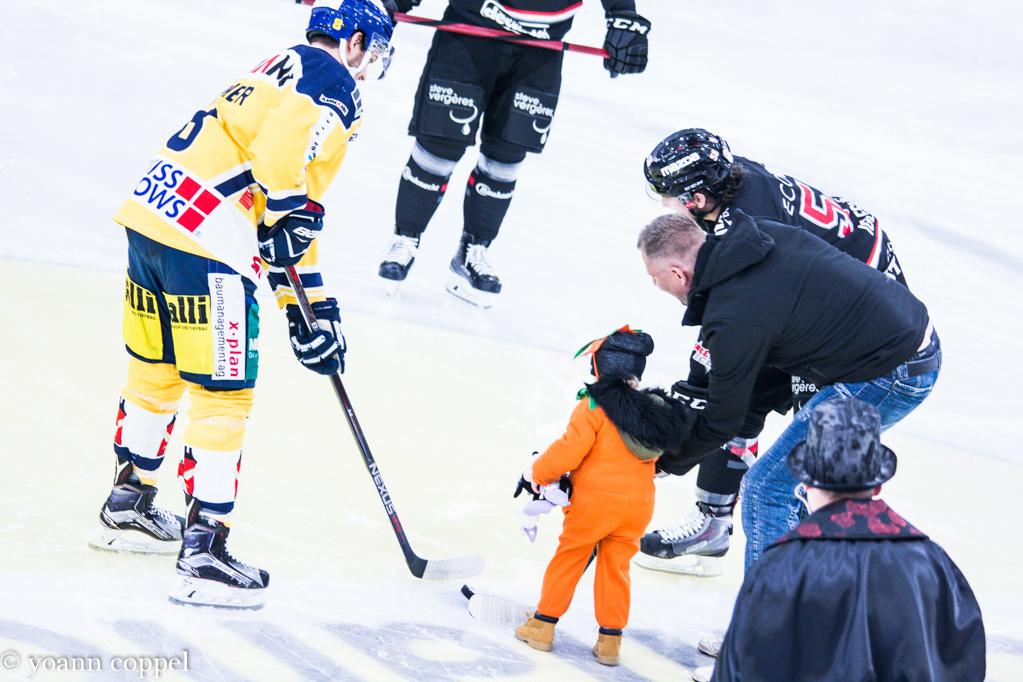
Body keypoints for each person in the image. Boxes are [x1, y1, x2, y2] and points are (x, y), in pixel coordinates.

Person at [89, 0, 394, 609]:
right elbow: (283, 192)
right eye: (376, 50)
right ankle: (205, 553)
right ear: (356, 40)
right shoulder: (333, 80)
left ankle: (128, 503)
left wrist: (312, 310)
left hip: (153, 220)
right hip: (208, 245)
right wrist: (286, 213)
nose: (372, 65)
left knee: (156, 372)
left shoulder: (276, 66)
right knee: (223, 397)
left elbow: (286, 227)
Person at [637, 128, 911, 576]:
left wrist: (672, 450)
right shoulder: (727, 187)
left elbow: (737, 318)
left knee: (808, 451)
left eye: (669, 199)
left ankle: (813, 570)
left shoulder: (747, 225)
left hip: (854, 315)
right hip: (827, 282)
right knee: (738, 389)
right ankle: (714, 524)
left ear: (697, 199)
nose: (667, 208)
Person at [378, 0, 651, 307]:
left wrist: (623, 15)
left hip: (542, 47)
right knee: (439, 145)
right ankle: (405, 238)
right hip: (470, 31)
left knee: (506, 155)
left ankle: (473, 251)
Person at [709, 398, 986, 682]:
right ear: (877, 485)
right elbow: (964, 655)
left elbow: (744, 664)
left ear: (806, 482)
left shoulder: (781, 564)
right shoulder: (930, 560)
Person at [513, 328, 689, 666]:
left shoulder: (593, 406)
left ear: (600, 367)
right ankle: (610, 642)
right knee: (616, 569)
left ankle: (542, 625)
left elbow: (568, 451)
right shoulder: (654, 412)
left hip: (594, 504)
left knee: (570, 557)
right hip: (638, 506)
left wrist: (537, 474)